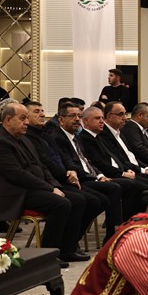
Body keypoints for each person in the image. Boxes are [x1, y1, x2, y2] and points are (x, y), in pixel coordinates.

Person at [0, 100, 89, 265]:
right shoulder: (0, 143)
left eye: (27, 118)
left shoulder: (22, 138)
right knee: (61, 204)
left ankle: (67, 250)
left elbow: (41, 166)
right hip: (15, 193)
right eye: (22, 118)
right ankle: (47, 255)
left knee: (79, 199)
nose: (26, 122)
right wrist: (49, 189)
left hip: (31, 188)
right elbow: (18, 175)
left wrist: (54, 186)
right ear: (8, 120)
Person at [25, 100, 117, 239]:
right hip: (52, 181)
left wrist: (72, 170)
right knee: (84, 200)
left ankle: (71, 241)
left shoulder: (44, 134)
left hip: (64, 177)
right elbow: (45, 163)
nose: (42, 114)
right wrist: (64, 176)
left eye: (42, 111)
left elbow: (64, 158)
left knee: (100, 200)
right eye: (37, 112)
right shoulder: (37, 136)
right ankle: (65, 244)